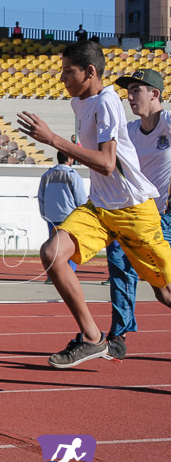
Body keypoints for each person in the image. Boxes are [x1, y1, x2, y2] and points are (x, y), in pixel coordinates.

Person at [17, 41, 171, 369]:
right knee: (51, 254)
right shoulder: (79, 103)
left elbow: (107, 163)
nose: (62, 78)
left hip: (134, 211)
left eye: (67, 71)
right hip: (99, 209)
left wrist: (53, 140)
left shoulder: (108, 101)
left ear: (89, 72)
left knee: (165, 292)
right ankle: (92, 337)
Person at [104, 69, 171, 361]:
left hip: (165, 218)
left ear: (154, 94)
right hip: (134, 217)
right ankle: (118, 336)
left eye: (135, 91)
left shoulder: (169, 123)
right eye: (128, 92)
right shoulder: (130, 131)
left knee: (164, 291)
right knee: (119, 264)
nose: (130, 98)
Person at [37, 151, 87, 274]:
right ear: (69, 159)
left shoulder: (47, 175)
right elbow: (81, 199)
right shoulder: (73, 176)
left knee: (54, 247)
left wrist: (44, 213)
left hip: (52, 216)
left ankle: (52, 275)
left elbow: (41, 197)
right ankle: (69, 274)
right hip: (69, 217)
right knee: (70, 248)